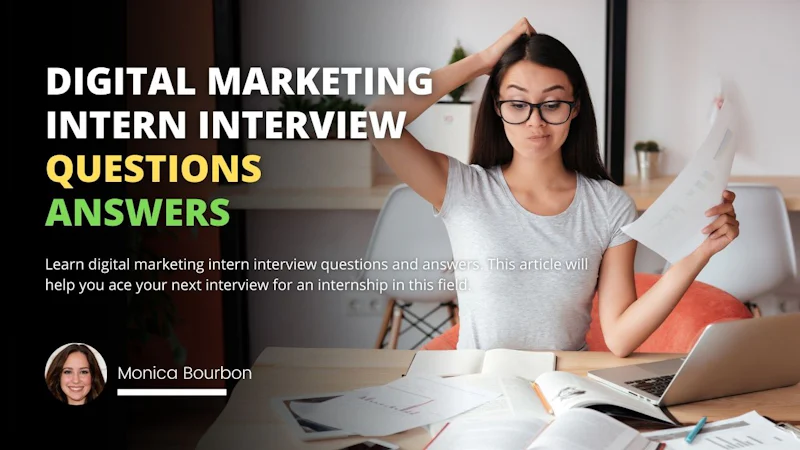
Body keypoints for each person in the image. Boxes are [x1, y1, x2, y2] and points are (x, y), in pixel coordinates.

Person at [365, 18, 739, 357]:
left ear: (574, 108)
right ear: (497, 107)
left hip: (564, 391)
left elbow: (621, 337)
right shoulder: (463, 189)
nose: (535, 122)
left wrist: (699, 253)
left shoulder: (609, 206)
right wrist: (482, 62)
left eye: (552, 103)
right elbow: (378, 120)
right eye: (517, 104)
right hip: (476, 391)